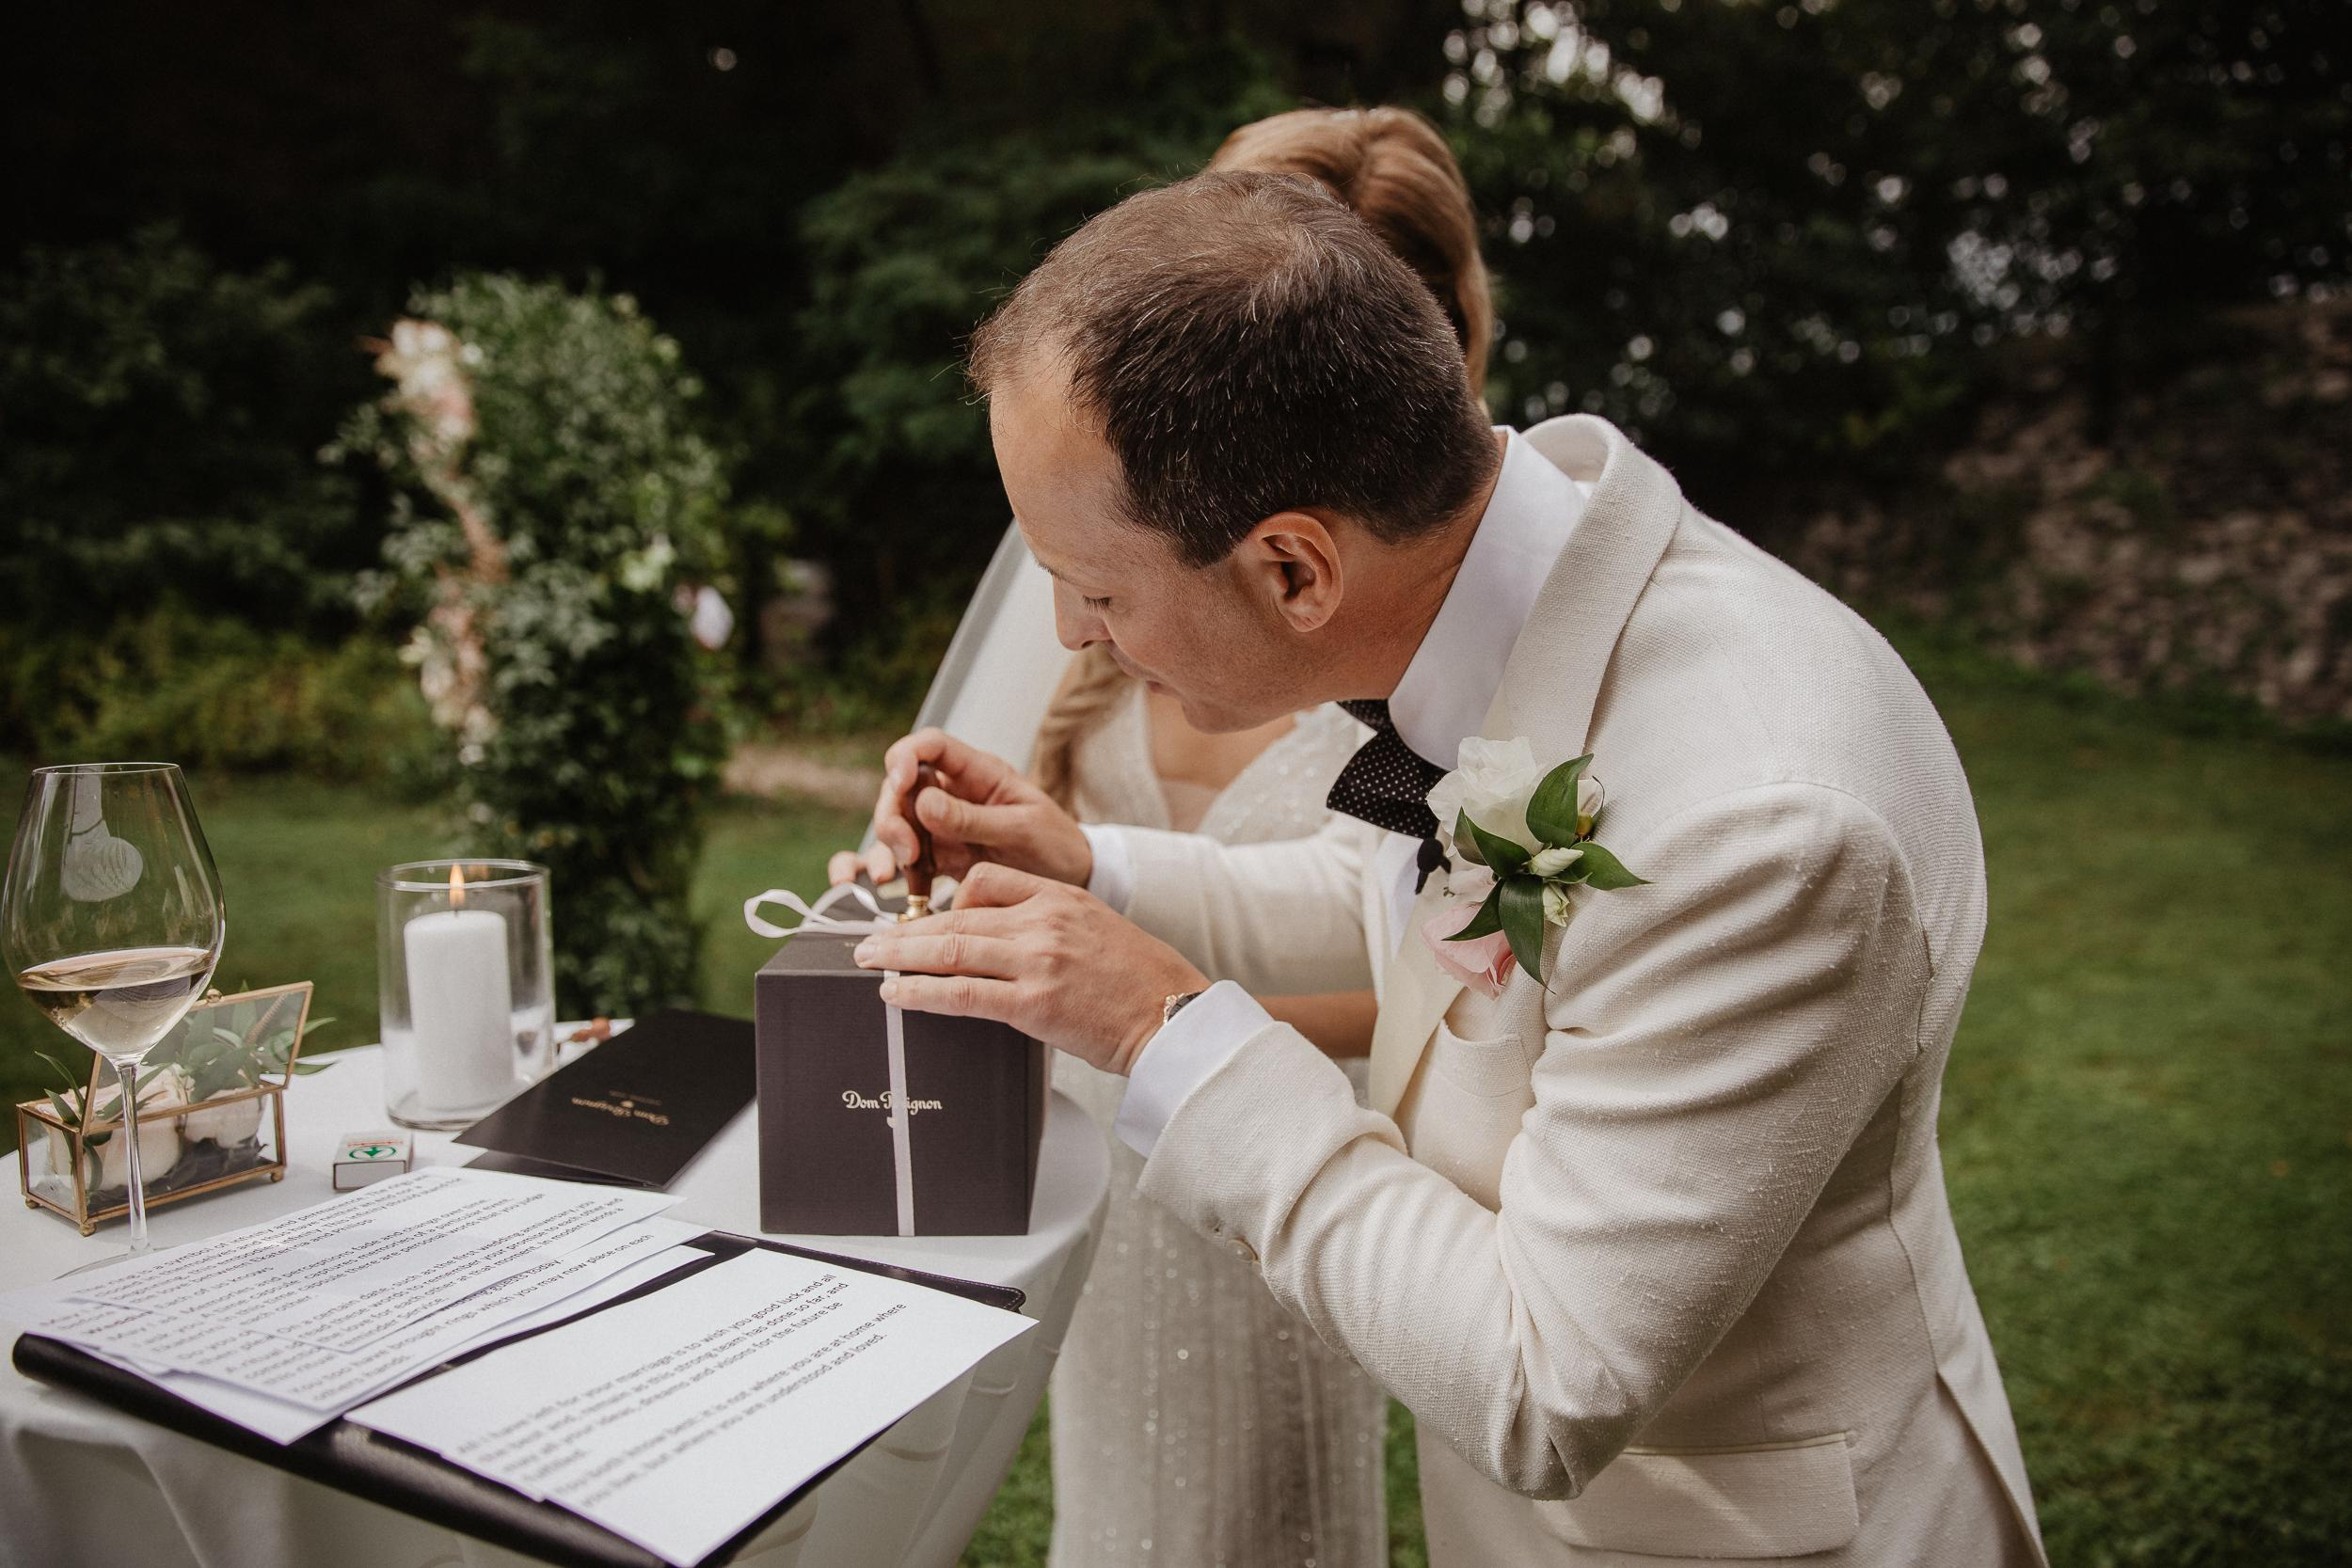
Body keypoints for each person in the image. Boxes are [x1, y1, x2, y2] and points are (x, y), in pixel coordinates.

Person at [846, 170, 2049, 1565]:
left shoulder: (1759, 826)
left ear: (1295, 571)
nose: (1066, 633)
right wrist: (1089, 868)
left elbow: (1555, 1378)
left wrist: (1165, 1035)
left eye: (1099, 589)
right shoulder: (1510, 603)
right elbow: (1419, 919)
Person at [841, 106, 1491, 1568]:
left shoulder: (1427, 634)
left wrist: (1153, 1006)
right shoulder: (1118, 553)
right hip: (1114, 1151)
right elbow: (1040, 837)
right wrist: (963, 867)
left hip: (1309, 1141)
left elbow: (1414, 936)